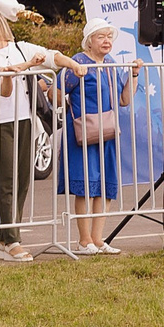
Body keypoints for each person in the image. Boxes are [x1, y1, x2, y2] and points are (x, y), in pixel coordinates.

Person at [0, 10, 70, 263]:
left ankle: (5, 239)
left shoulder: (20, 47)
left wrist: (74, 65)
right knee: (6, 180)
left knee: (22, 180)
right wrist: (28, 65)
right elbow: (1, 84)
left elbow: (51, 56)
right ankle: (12, 241)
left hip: (25, 120)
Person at [59, 20, 136, 254]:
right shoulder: (78, 62)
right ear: (89, 41)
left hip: (108, 131)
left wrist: (133, 75)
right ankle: (84, 241)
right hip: (83, 133)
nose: (106, 41)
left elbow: (123, 100)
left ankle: (97, 239)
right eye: (100, 36)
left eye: (109, 37)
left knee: (105, 185)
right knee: (85, 185)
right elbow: (55, 93)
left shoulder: (110, 63)